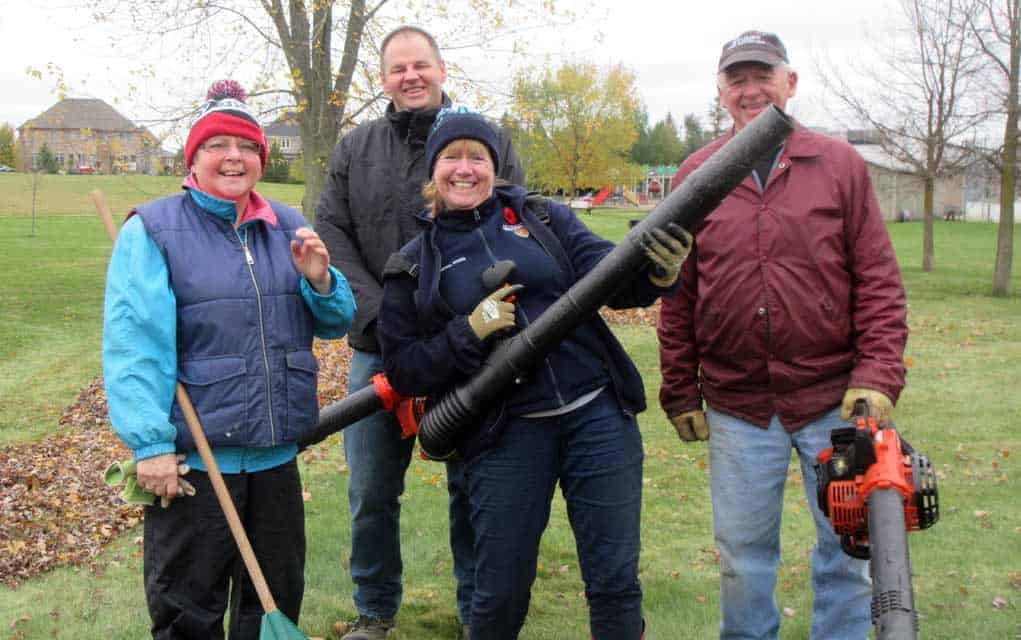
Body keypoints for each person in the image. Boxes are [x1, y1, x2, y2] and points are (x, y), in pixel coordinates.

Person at [377, 109, 692, 640]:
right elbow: (404, 368)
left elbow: (611, 280)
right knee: (499, 592)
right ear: (432, 172)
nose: (465, 168)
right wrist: (469, 332)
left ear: (494, 167)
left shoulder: (543, 219)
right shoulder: (414, 265)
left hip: (597, 414)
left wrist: (659, 272)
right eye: (451, 157)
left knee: (615, 581)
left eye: (477, 156)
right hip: (505, 434)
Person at [656, 31, 909, 640]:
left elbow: (877, 279)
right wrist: (680, 392)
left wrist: (876, 377)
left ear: (789, 83)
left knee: (847, 552)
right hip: (740, 405)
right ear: (721, 93)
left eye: (762, 75)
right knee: (743, 559)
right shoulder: (697, 175)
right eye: (736, 79)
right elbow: (678, 294)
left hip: (833, 401)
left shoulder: (837, 164)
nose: (750, 90)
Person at [103, 79, 356, 639]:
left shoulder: (287, 224)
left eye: (245, 146)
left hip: (274, 460)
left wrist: (321, 281)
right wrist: (151, 446)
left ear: (261, 158)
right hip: (196, 464)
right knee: (188, 610)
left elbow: (338, 320)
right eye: (217, 145)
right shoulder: (154, 230)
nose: (233, 157)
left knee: (274, 601)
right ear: (194, 156)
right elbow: (135, 348)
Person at [314, 26, 524, 640]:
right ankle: (375, 610)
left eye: (421, 65)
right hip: (378, 350)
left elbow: (508, 220)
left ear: (440, 69)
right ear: (383, 79)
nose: (411, 76)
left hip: (471, 348)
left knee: (473, 485)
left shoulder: (481, 142)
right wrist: (383, 318)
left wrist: (467, 319)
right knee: (373, 490)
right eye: (398, 68)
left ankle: (474, 612)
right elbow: (332, 231)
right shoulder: (356, 148)